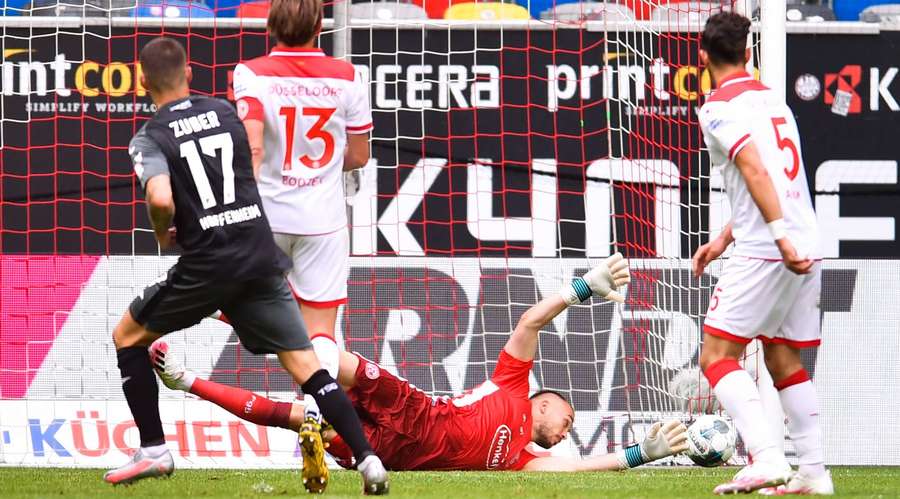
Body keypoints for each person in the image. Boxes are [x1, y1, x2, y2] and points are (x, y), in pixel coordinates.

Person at [106, 37, 388, 495]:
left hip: (207, 265)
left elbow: (159, 196)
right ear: (190, 73)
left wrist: (164, 230)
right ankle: (368, 458)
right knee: (308, 366)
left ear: (141, 81)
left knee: (128, 336)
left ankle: (154, 448)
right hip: (257, 253)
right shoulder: (224, 111)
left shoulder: (150, 136)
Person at [150, 255, 690, 472]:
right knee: (321, 355)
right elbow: (529, 323)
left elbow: (578, 469)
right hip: (415, 408)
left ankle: (184, 380)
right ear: (543, 403)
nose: (565, 433)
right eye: (565, 421)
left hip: (393, 451)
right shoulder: (512, 384)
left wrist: (643, 454)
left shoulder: (525, 461)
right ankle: (224, 310)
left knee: (296, 417)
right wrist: (578, 291)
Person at [225, 0, 372, 487]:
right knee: (323, 331)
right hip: (322, 222)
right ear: (319, 26)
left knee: (241, 307)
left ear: (270, 25)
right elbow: (358, 155)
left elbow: (251, 149)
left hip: (265, 218)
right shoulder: (348, 76)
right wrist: (320, 170)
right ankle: (315, 414)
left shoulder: (250, 73)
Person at [692, 13, 832, 495]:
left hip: (769, 249)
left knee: (715, 355)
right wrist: (724, 237)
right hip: (803, 240)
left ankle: (769, 458)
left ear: (703, 56)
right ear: (749, 54)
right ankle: (814, 474)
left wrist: (773, 237)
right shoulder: (773, 100)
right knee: (782, 357)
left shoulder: (716, 107)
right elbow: (775, 175)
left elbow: (753, 168)